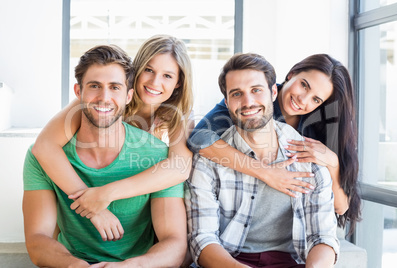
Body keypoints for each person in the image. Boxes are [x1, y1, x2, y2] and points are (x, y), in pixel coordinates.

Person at [23, 44, 187, 267]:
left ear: (128, 95)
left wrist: (106, 194)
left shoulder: (161, 149)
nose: (104, 97)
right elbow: (37, 240)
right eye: (94, 86)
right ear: (78, 91)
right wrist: (76, 265)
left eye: (114, 87)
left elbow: (180, 168)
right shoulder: (45, 154)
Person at [185, 53, 339, 268]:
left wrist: (333, 162)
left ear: (273, 91)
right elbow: (202, 240)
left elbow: (323, 237)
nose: (248, 102)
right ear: (226, 102)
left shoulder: (310, 155)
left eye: (256, 90)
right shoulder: (210, 158)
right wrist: (266, 172)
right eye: (237, 94)